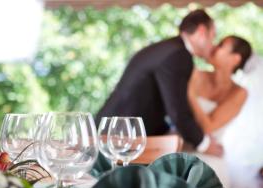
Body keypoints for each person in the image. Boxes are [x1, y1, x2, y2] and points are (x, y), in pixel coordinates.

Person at [95, 9, 223, 156]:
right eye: (213, 37)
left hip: (112, 131)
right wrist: (203, 144)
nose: (212, 45)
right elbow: (177, 110)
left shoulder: (166, 48)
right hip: (120, 139)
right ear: (201, 32)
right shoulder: (179, 55)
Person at [188, 35, 252, 136]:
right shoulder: (196, 74)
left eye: (221, 45)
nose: (214, 47)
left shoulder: (239, 93)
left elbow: (209, 127)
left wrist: (190, 94)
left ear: (236, 59)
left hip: (207, 149)